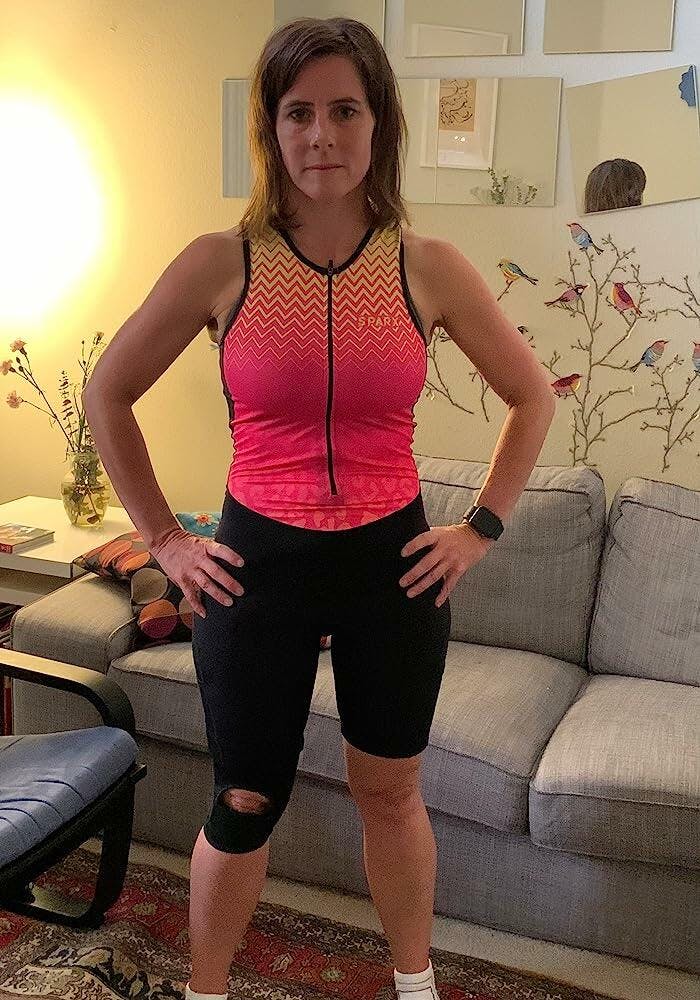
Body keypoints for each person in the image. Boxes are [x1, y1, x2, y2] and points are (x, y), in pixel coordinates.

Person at [83, 16, 555, 1000]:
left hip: (393, 566)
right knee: (244, 798)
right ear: (271, 127)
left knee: (391, 792)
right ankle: (207, 989)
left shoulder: (427, 265)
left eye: (345, 110)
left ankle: (414, 985)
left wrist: (480, 527)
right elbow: (108, 392)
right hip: (258, 567)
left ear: (380, 125)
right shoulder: (222, 261)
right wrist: (165, 538)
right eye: (298, 112)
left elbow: (531, 395)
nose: (322, 135)